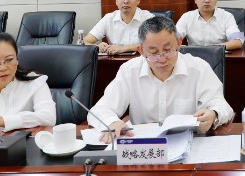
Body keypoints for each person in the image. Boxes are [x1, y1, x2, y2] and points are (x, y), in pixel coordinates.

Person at [90, 15, 233, 140]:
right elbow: (100, 110)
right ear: (141, 51)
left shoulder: (199, 68)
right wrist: (112, 122)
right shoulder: (129, 71)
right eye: (153, 53)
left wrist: (213, 114)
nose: (162, 59)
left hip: (191, 143)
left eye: (167, 50)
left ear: (179, 43)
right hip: (144, 147)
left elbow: (222, 106)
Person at [84, 0, 154, 55]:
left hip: (142, 60)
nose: (126, 1)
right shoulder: (109, 18)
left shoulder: (148, 18)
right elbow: (85, 41)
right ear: (116, 1)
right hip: (114, 60)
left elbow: (156, 44)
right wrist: (97, 47)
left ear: (138, 0)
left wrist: (124, 48)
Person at [176, 0, 244, 51]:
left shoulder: (227, 16)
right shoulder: (187, 17)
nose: (207, 0)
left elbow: (238, 42)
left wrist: (209, 50)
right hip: (193, 56)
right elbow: (173, 39)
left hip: (219, 57)